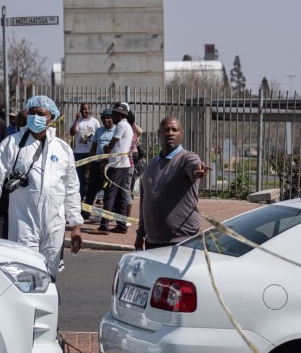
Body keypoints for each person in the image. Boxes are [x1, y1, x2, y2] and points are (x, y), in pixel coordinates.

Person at [0, 95, 82, 277]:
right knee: (24, 275)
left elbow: (72, 189)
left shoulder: (62, 149)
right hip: (23, 223)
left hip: (54, 226)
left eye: (41, 113)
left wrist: (76, 226)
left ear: (51, 118)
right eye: (32, 112)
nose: (35, 116)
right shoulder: (13, 143)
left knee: (49, 277)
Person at [134, 117, 210, 250]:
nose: (170, 133)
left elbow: (193, 165)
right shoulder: (151, 164)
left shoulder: (187, 158)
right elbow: (144, 201)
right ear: (159, 133)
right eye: (166, 130)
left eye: (175, 130)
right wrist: (140, 233)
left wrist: (197, 170)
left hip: (182, 241)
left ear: (181, 133)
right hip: (152, 242)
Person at [98, 102, 134, 233]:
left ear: (120, 114)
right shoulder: (128, 126)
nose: (112, 116)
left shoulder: (120, 126)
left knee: (109, 194)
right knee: (121, 196)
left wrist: (105, 149)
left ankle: (104, 225)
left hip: (116, 165)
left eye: (114, 114)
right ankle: (121, 225)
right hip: (124, 165)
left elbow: (112, 144)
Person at [82, 108, 116, 220]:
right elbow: (93, 147)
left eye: (109, 118)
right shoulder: (99, 131)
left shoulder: (117, 130)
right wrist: (89, 163)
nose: (106, 120)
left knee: (108, 190)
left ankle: (107, 215)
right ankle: (86, 212)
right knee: (92, 188)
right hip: (97, 163)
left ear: (113, 118)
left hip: (109, 164)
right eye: (104, 118)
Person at [69, 103, 100, 200]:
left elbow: (98, 137)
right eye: (82, 109)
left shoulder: (95, 122)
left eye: (86, 109)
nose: (84, 111)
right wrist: (76, 120)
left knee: (92, 178)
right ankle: (80, 198)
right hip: (78, 153)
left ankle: (91, 199)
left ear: (89, 110)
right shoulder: (77, 121)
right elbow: (72, 133)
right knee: (79, 178)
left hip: (90, 153)